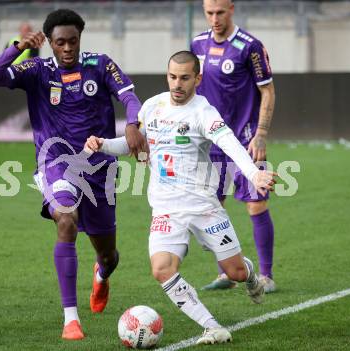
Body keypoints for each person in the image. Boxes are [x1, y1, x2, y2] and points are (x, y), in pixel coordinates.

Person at [84, 51, 276, 344]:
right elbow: (133, 144)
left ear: (197, 79)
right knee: (161, 269)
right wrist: (103, 145)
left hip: (203, 207)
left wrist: (254, 174)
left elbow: (230, 144)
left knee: (234, 271)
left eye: (185, 78)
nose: (177, 84)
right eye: (173, 77)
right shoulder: (152, 107)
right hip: (166, 208)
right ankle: (212, 326)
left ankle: (250, 276)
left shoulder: (204, 112)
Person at [0, 9, 146, 340]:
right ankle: (71, 319)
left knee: (108, 255)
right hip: (55, 162)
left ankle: (101, 275)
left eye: (72, 41)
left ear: (79, 38)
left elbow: (129, 96)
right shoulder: (37, 70)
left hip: (99, 169)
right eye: (60, 42)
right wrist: (18, 47)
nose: (67, 48)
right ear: (50, 43)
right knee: (66, 220)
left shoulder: (99, 65)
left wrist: (132, 124)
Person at [191, 0, 276, 292]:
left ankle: (265, 275)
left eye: (220, 12)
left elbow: (267, 90)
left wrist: (261, 133)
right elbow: (193, 89)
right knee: (212, 208)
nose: (214, 18)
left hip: (245, 140)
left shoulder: (249, 46)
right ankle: (225, 273)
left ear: (232, 9)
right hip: (210, 142)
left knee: (256, 204)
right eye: (209, 13)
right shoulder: (197, 44)